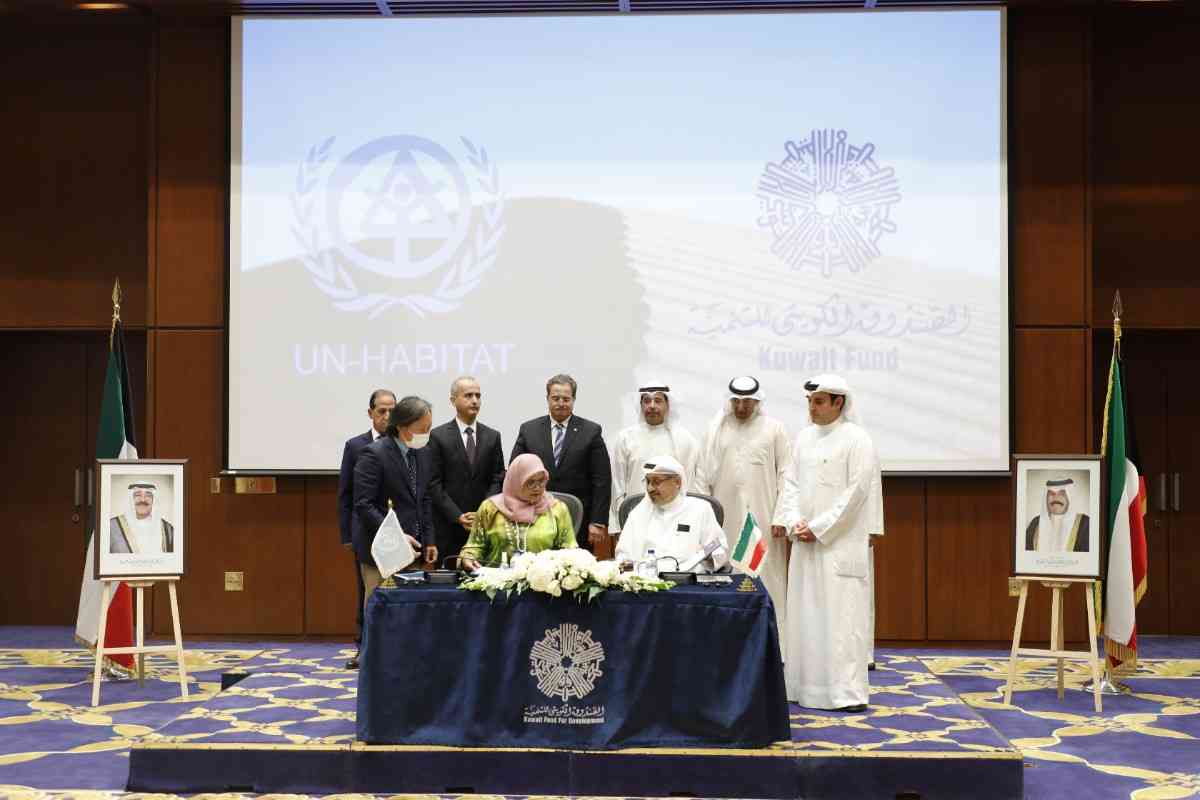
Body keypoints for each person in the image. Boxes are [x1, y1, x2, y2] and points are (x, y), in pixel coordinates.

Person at [778, 374, 883, 712]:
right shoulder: (804, 438)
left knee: (842, 621)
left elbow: (857, 493)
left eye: (819, 401)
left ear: (839, 403)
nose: (812, 407)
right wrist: (794, 520)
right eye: (809, 401)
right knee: (805, 616)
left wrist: (820, 527)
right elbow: (790, 483)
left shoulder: (858, 439)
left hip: (839, 545)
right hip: (805, 542)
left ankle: (846, 694)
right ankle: (803, 688)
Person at [694, 376, 792, 650]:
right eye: (736, 401)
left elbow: (787, 474)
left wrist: (782, 515)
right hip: (725, 521)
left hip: (764, 520)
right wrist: (705, 519)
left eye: (747, 401)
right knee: (728, 576)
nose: (741, 407)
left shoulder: (775, 430)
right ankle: (729, 644)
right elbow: (701, 477)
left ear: (757, 401)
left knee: (767, 579)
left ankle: (776, 646)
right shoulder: (716, 430)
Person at [353, 396, 439, 606]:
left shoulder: (423, 452)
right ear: (403, 427)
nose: (427, 434)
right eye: (423, 428)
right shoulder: (374, 454)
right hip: (383, 553)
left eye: (429, 428)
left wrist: (429, 539)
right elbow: (364, 504)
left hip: (415, 553)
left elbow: (425, 498)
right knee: (381, 614)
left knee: (411, 616)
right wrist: (397, 534)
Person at [511, 374, 612, 551]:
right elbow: (515, 473)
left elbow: (602, 480)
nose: (560, 403)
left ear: (573, 400)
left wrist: (598, 521)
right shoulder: (529, 430)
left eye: (566, 399)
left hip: (578, 520)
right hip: (534, 517)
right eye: (555, 398)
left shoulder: (591, 431)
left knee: (574, 573)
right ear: (547, 398)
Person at [336, 388, 395, 670]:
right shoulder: (355, 446)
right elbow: (346, 494)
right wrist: (346, 535)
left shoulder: (402, 444)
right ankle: (363, 648)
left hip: (397, 532)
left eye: (392, 410)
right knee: (365, 592)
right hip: (365, 533)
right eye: (381, 411)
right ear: (370, 413)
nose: (387, 416)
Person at [428, 376, 506, 566]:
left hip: (484, 526)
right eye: (468, 395)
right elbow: (433, 483)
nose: (475, 400)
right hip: (449, 527)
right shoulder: (438, 436)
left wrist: (482, 512)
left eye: (478, 396)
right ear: (453, 400)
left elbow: (498, 477)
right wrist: (457, 516)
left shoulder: (492, 436)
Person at [608, 384, 700, 536]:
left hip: (673, 518)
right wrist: (620, 521)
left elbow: (688, 483)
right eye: (646, 401)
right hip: (635, 516)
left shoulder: (684, 439)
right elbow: (618, 484)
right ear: (640, 405)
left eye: (657, 401)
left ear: (667, 404)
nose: (651, 406)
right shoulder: (625, 438)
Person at [459, 454, 577, 570]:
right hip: (495, 583)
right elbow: (474, 546)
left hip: (542, 584)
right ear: (516, 481)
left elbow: (570, 551)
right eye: (530, 482)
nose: (537, 487)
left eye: (541, 481)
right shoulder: (490, 508)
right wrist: (468, 558)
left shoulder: (557, 509)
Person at [615, 455, 727, 573]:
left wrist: (709, 556)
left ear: (677, 482)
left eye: (656, 482)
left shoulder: (701, 509)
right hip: (647, 583)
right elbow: (623, 557)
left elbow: (718, 548)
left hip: (690, 582)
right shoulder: (638, 514)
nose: (650, 488)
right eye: (648, 481)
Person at [1026, 477, 1090, 552]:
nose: (1056, 498)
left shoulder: (1085, 524)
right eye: (1051, 494)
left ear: (1070, 497)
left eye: (1062, 493)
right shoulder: (1035, 523)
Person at [109, 481, 174, 554]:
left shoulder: (168, 529)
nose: (143, 500)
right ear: (130, 499)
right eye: (137, 495)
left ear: (154, 500)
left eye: (148, 495)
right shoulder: (111, 527)